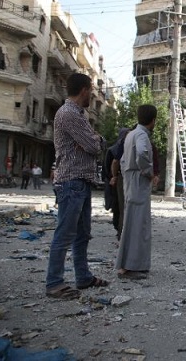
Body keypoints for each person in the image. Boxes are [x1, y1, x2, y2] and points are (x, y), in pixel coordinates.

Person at [45, 73, 109, 300]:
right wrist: (96, 140)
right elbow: (93, 145)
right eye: (90, 91)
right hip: (71, 182)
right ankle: (54, 282)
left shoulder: (77, 114)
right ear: (84, 90)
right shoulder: (69, 113)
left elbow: (90, 143)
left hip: (80, 182)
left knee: (82, 234)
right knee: (64, 234)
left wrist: (93, 140)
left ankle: (83, 276)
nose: (91, 96)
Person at [116, 105, 158, 280]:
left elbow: (123, 160)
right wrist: (148, 172)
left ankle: (130, 265)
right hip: (138, 181)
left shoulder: (131, 134)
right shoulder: (141, 135)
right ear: (153, 120)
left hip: (131, 180)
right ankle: (130, 267)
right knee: (138, 224)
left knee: (132, 222)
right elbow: (142, 153)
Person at [104, 128, 129, 240]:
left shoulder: (115, 148)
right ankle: (121, 232)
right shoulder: (117, 149)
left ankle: (120, 231)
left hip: (115, 181)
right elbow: (111, 164)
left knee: (118, 208)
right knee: (121, 207)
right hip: (117, 181)